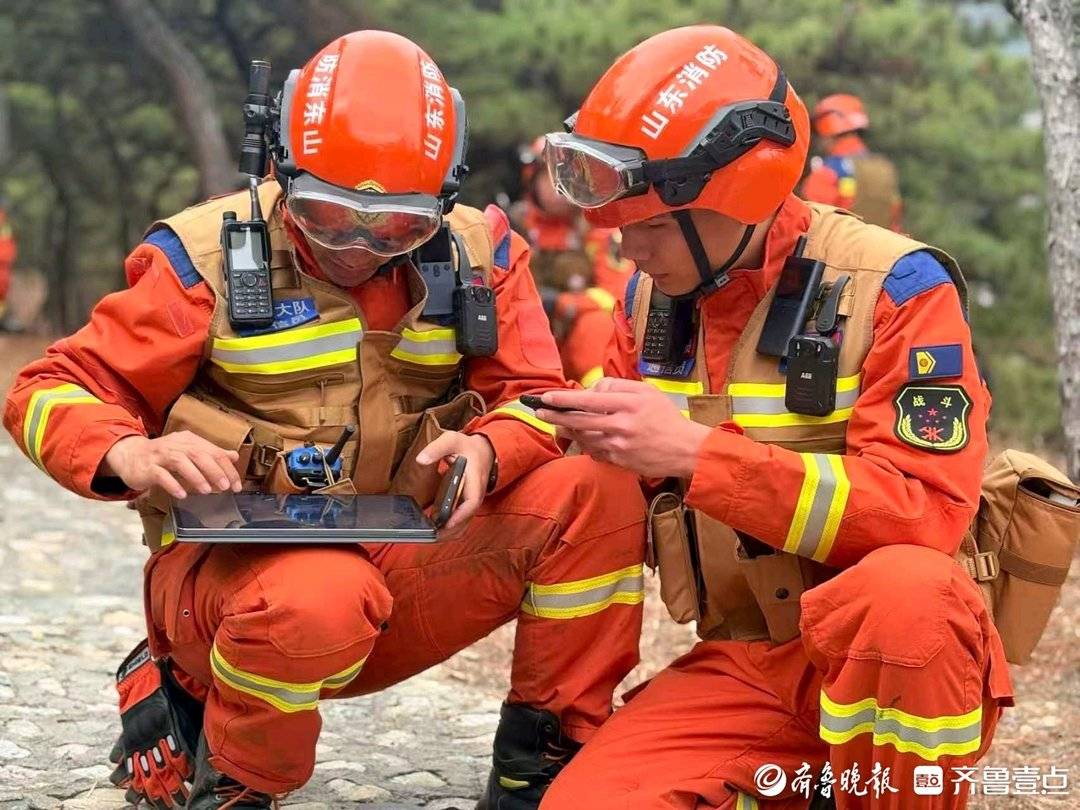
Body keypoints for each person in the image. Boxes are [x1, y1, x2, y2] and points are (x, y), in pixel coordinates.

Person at [3, 31, 646, 809]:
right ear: (282, 172)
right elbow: (48, 387)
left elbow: (534, 396)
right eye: (329, 215)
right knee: (316, 597)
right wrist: (127, 453)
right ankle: (237, 773)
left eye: (397, 226)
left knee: (599, 493)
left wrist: (489, 447)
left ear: (442, 203)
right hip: (243, 580)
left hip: (402, 562)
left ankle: (540, 765)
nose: (358, 246)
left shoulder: (478, 255)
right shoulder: (204, 259)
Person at [533, 25, 1011, 810]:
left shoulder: (898, 289)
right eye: (620, 226)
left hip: (885, 664)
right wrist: (507, 442)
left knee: (910, 592)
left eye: (652, 226)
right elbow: (599, 453)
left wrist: (697, 456)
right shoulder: (647, 302)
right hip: (748, 665)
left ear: (741, 198)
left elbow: (925, 514)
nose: (629, 250)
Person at [515, 138, 633, 387]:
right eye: (551, 177)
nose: (560, 187)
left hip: (576, 336)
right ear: (532, 179)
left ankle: (601, 397)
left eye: (568, 177)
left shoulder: (599, 227)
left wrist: (560, 303)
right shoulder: (513, 226)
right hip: (525, 330)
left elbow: (616, 297)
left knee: (595, 324)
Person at [800, 94, 903, 231]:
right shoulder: (884, 168)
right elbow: (895, 218)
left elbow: (811, 226)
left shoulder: (826, 173)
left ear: (825, 127)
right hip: (884, 243)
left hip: (840, 243)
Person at [0, 200, 17, 331]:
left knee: (2, 295)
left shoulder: (5, 226)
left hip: (4, 266)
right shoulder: (4, 224)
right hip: (3, 265)